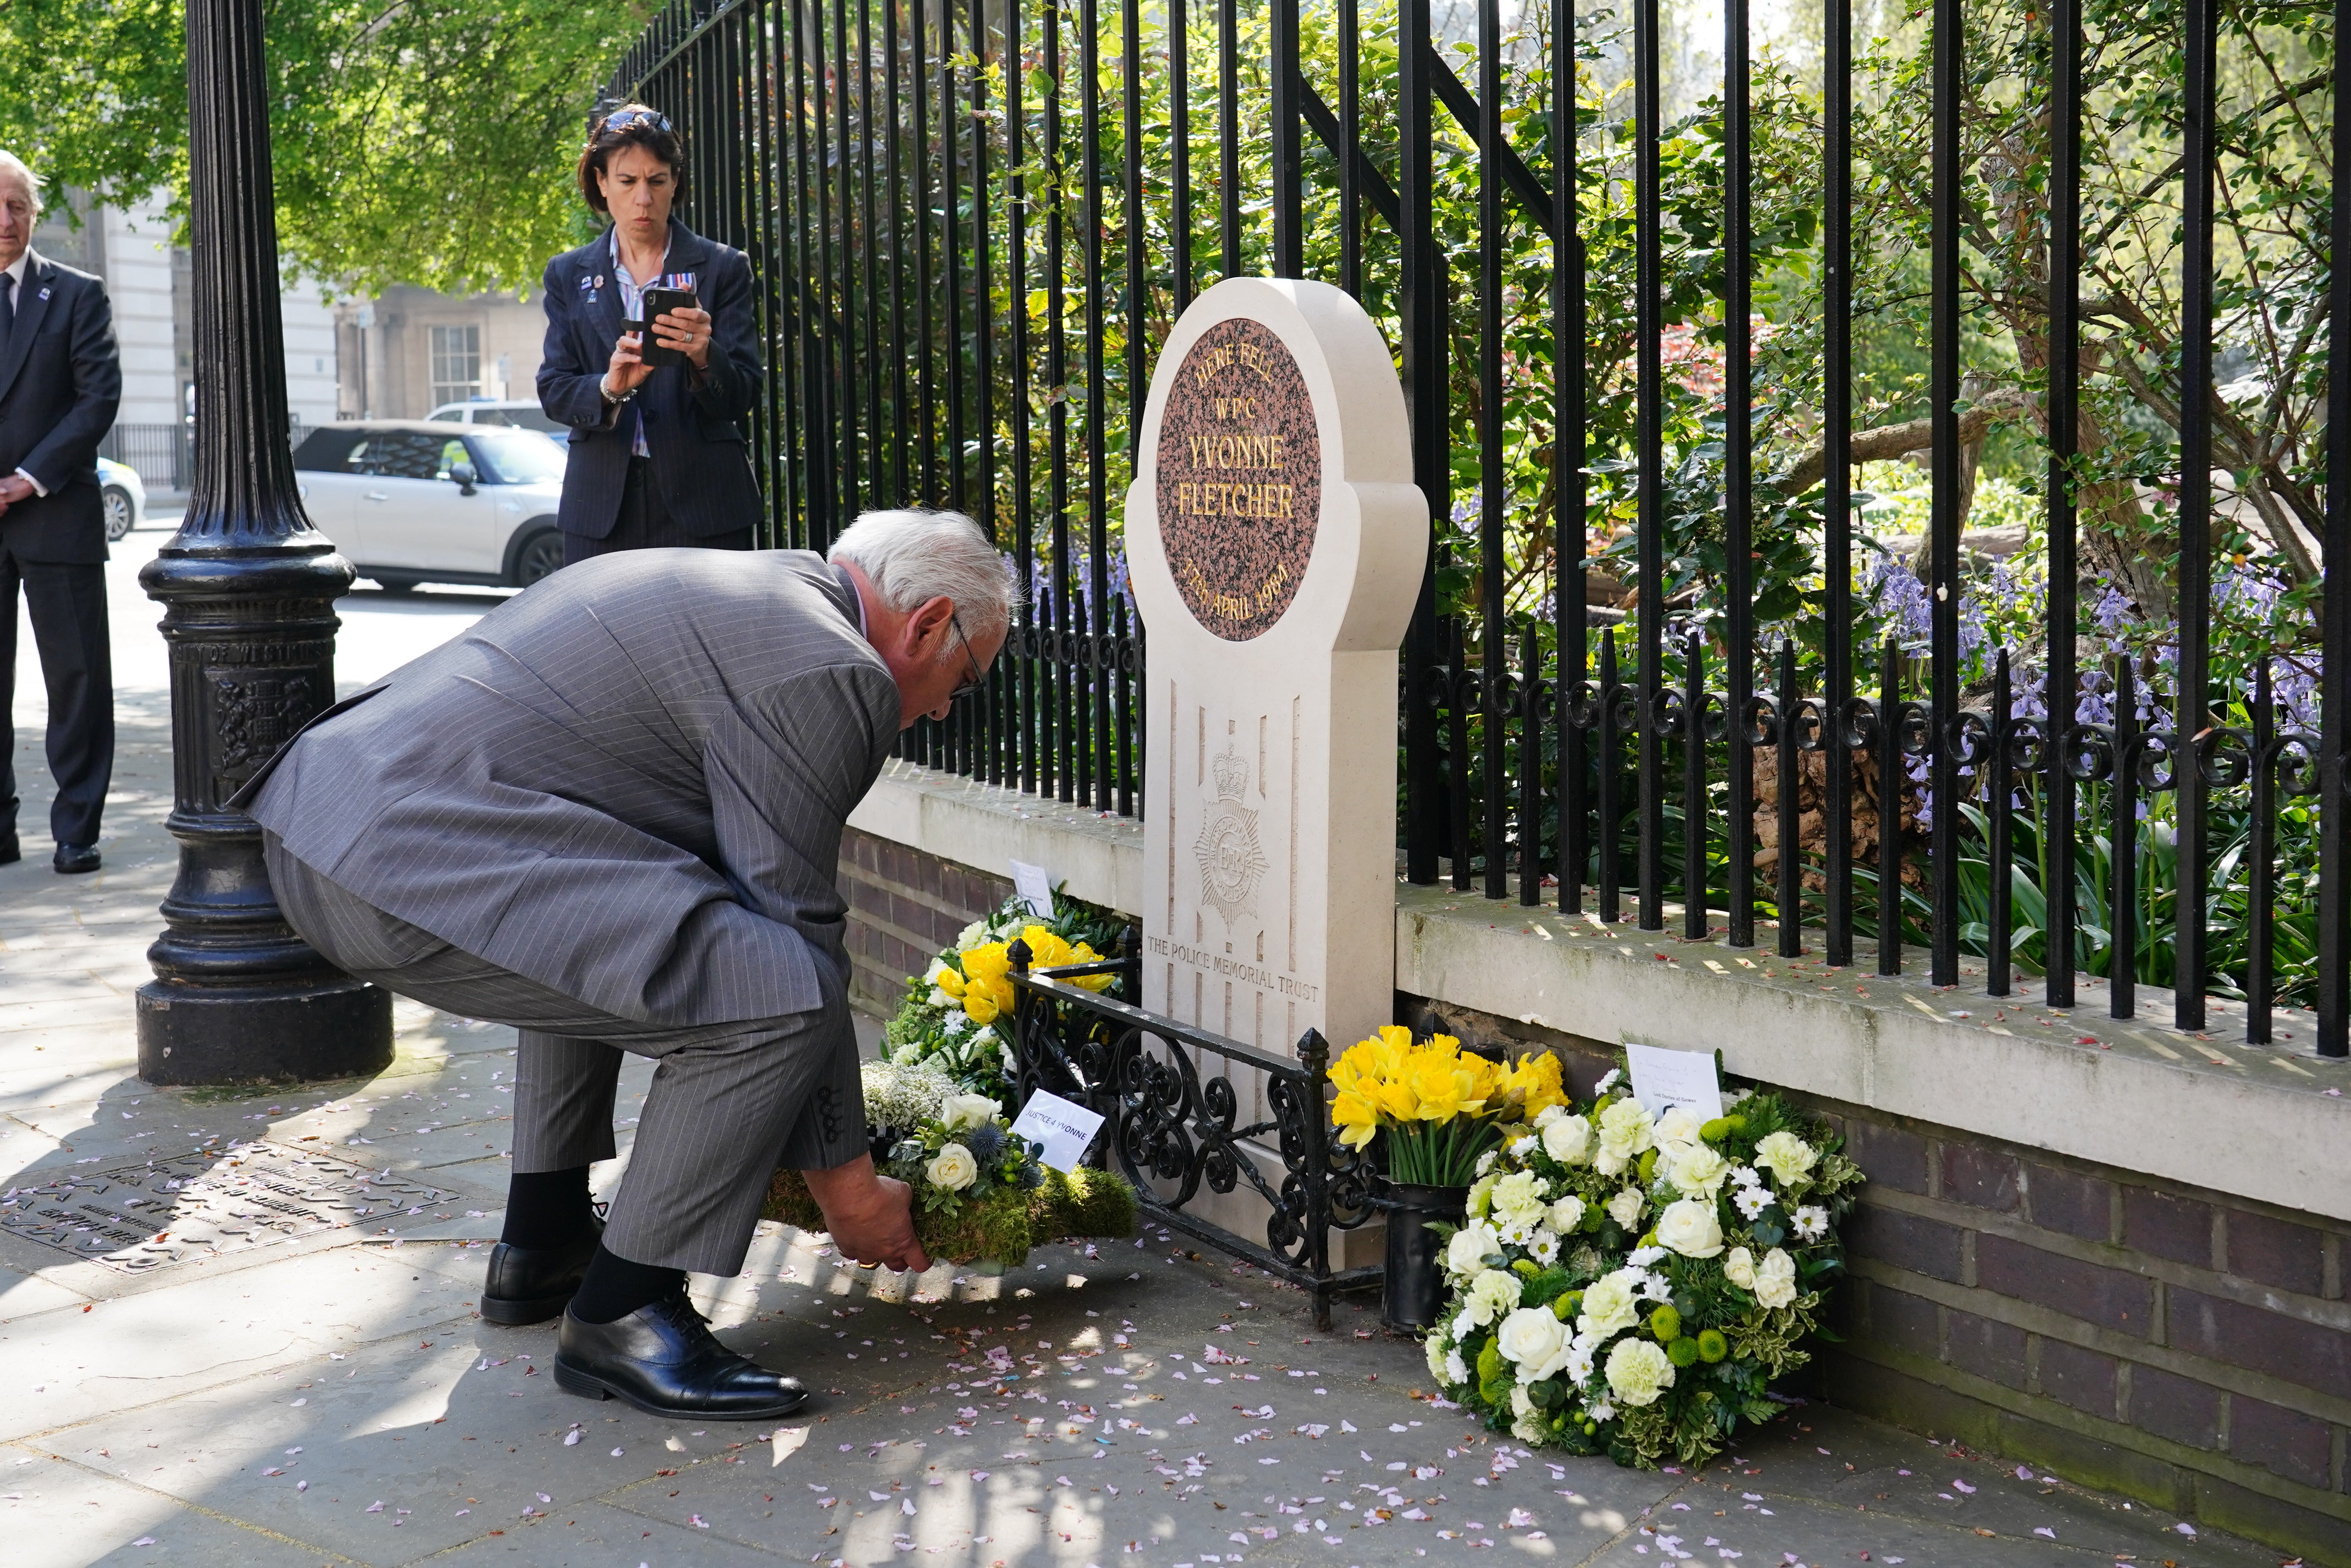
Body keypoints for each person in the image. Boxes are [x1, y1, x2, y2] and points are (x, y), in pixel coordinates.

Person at [236, 510, 1010, 1420]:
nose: (947, 704)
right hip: (403, 861)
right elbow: (795, 930)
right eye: (966, 675)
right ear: (927, 623)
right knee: (782, 993)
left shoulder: (747, 585)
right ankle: (623, 1310)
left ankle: (546, 1241)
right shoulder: (833, 665)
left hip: (329, 822)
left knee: (635, 930)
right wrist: (848, 1187)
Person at [538, 104, 763, 566]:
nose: (644, 198)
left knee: (709, 639)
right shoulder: (567, 274)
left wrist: (705, 357)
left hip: (705, 505)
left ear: (674, 183)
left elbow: (741, 395)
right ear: (601, 182)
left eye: (657, 181)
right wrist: (608, 387)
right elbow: (554, 389)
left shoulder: (723, 267)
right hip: (601, 507)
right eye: (627, 181)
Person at [0, 150, 121, 875]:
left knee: (76, 681)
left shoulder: (77, 295)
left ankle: (77, 830)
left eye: (17, 205)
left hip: (55, 512)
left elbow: (97, 400)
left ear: (34, 215)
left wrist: (28, 478)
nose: (4, 220)